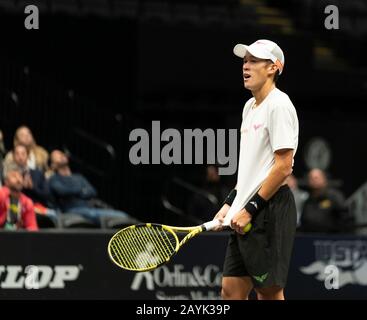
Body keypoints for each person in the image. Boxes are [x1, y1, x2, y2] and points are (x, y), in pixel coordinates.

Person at [212, 40, 299, 300]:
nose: (245, 66)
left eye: (253, 61)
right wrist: (230, 203)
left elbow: (283, 167)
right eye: (244, 61)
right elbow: (252, 168)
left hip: (270, 207)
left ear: (273, 67)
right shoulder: (249, 108)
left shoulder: (279, 105)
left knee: (268, 293)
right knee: (230, 290)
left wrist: (250, 209)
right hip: (247, 205)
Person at [47, 149, 131, 226]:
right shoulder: (54, 179)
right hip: (72, 210)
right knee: (97, 215)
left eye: (62, 154)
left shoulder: (78, 177)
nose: (61, 155)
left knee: (122, 215)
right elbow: (62, 191)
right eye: (57, 156)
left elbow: (92, 191)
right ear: (53, 165)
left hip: (89, 208)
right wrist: (81, 189)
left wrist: (74, 192)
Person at [300, 168, 351, 233]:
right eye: (311, 178)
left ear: (324, 179)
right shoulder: (308, 199)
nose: (314, 180)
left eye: (316, 178)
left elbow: (345, 217)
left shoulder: (334, 196)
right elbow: (304, 220)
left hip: (330, 239)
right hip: (310, 237)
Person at [0, 165, 38, 231]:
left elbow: (32, 228)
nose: (18, 179)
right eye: (14, 176)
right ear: (6, 181)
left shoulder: (27, 202)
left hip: (17, 238)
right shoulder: (1, 195)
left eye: (20, 176)